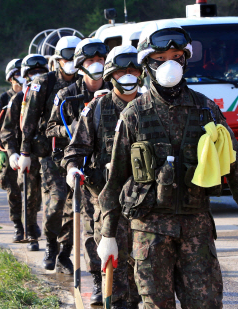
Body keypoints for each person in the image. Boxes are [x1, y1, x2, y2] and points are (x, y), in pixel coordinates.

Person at [97, 20, 238, 308]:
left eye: (176, 58)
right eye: (160, 60)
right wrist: (108, 234)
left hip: (196, 228)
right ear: (147, 64)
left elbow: (235, 164)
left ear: (185, 61)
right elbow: (115, 181)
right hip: (149, 232)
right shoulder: (133, 115)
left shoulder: (206, 110)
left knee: (206, 303)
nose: (168, 65)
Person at [65, 45, 143, 307]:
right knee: (115, 271)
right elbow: (75, 148)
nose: (128, 76)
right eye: (122, 71)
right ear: (111, 74)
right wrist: (72, 168)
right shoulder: (97, 108)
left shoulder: (151, 106)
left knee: (144, 274)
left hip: (147, 204)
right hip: (107, 201)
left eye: (133, 70)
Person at [45, 36, 109, 303]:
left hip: (114, 168)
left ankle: (123, 282)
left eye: (100, 60)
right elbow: (50, 129)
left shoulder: (117, 88)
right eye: (91, 61)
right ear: (81, 65)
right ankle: (95, 279)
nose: (97, 65)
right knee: (90, 229)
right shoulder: (66, 95)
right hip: (79, 168)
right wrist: (69, 128)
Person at [20, 36, 81, 274]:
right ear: (57, 60)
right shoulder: (43, 82)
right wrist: (25, 150)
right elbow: (30, 119)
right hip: (51, 153)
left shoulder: (84, 83)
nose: (70, 63)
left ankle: (65, 253)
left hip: (80, 153)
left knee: (74, 206)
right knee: (55, 204)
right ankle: (51, 245)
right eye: (66, 59)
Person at [0, 56, 43, 250]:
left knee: (48, 199)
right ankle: (29, 233)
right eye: (32, 73)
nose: (37, 76)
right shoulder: (18, 99)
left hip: (48, 155)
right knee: (28, 196)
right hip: (25, 156)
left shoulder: (54, 95)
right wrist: (10, 152)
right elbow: (6, 130)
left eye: (40, 71)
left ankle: (49, 235)